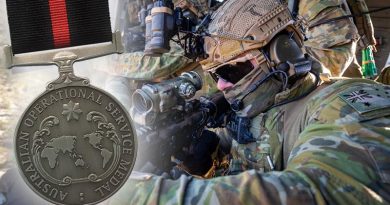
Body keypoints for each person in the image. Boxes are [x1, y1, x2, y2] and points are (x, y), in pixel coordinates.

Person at [108, 0, 390, 204]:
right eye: (216, 75)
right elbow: (248, 164)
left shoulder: (349, 104)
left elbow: (317, 192)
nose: (220, 85)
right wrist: (208, 157)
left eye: (231, 71)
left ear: (282, 53)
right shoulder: (255, 115)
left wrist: (143, 196)